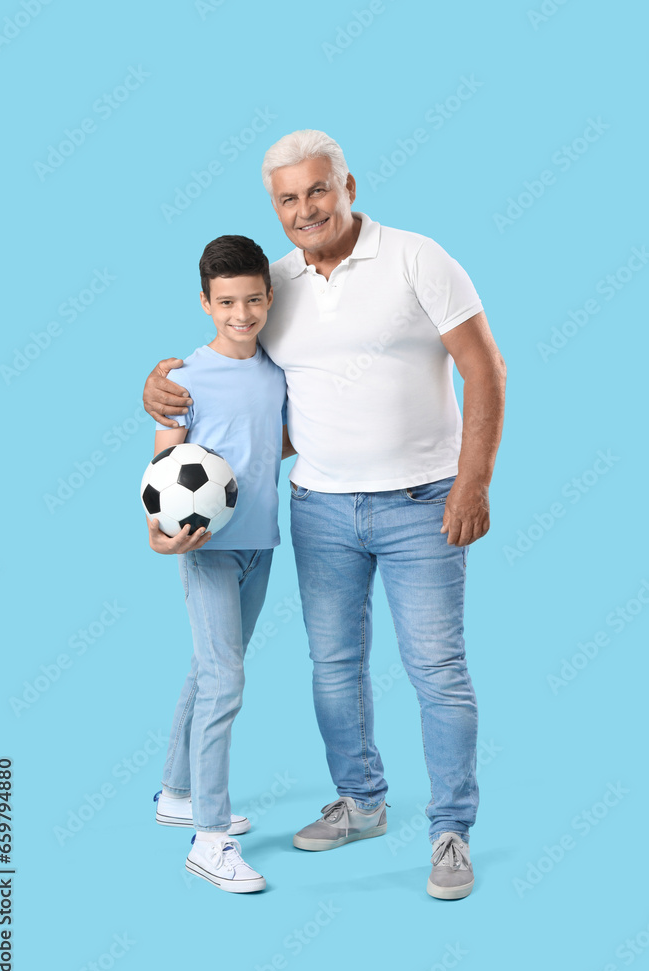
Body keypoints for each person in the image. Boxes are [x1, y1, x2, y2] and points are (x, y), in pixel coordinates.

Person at [142, 130, 506, 900]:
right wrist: (161, 396)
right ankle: (362, 802)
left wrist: (471, 484)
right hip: (317, 510)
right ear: (273, 208)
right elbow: (233, 380)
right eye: (286, 198)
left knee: (436, 672)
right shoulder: (272, 288)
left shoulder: (417, 259)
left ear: (346, 185)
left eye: (316, 190)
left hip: (422, 505)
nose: (304, 208)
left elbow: (484, 367)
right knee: (334, 671)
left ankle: (450, 833)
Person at [147, 234, 292, 893]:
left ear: (268, 298)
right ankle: (209, 840)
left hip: (260, 547)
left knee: (208, 674)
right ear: (205, 303)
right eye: (227, 301)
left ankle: (177, 794)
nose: (242, 314)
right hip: (206, 549)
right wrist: (157, 530)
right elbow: (163, 469)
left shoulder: (277, 373)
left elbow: (273, 446)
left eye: (253, 300)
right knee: (224, 682)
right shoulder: (181, 378)